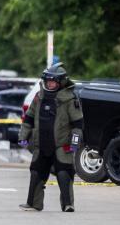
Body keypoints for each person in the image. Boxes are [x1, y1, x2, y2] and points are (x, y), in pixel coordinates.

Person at [18, 63, 83, 212]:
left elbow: (78, 124)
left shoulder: (70, 98)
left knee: (64, 173)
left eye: (53, 82)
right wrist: (23, 136)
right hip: (41, 144)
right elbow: (28, 118)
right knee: (36, 172)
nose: (50, 84)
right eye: (48, 81)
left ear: (61, 82)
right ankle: (33, 203)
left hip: (62, 145)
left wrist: (74, 142)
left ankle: (68, 204)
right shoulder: (38, 96)